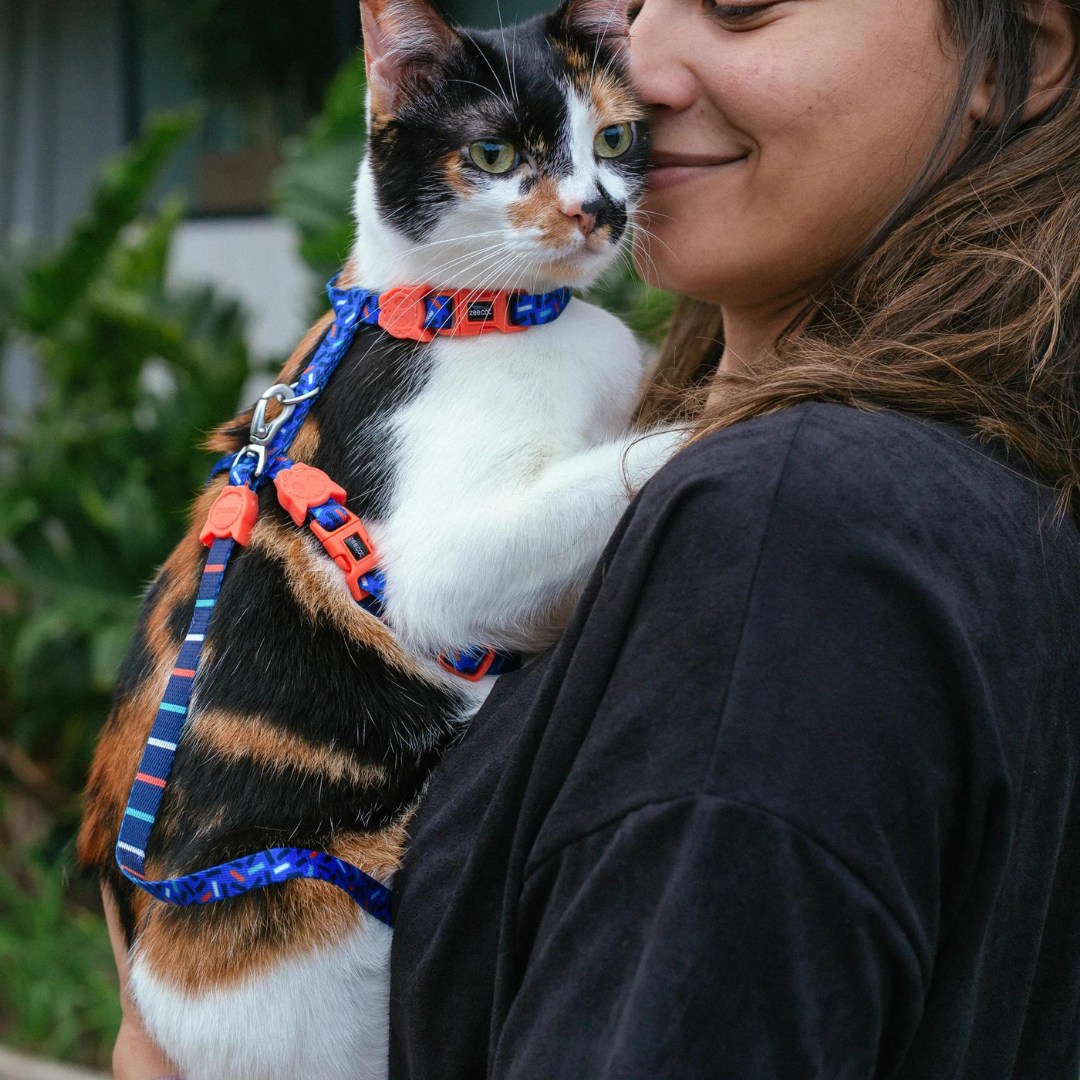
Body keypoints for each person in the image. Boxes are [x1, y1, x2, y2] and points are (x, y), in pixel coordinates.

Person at [111, 0, 1080, 1076]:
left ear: (1022, 52)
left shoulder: (791, 526)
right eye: (642, 3)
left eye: (741, 5)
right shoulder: (986, 489)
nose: (644, 68)